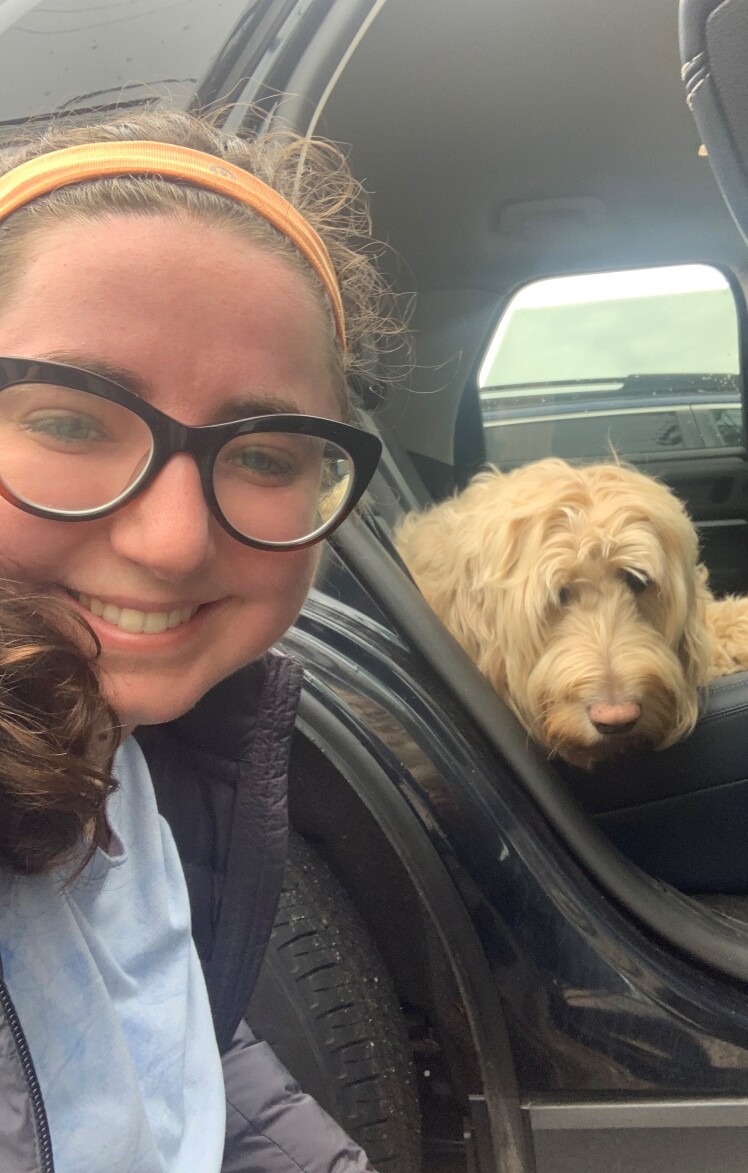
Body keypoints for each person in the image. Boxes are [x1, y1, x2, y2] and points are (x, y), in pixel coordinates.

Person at [0, 105, 402, 1172]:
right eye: (71, 422)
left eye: (266, 455)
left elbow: (160, 1039)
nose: (175, 544)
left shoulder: (118, 748)